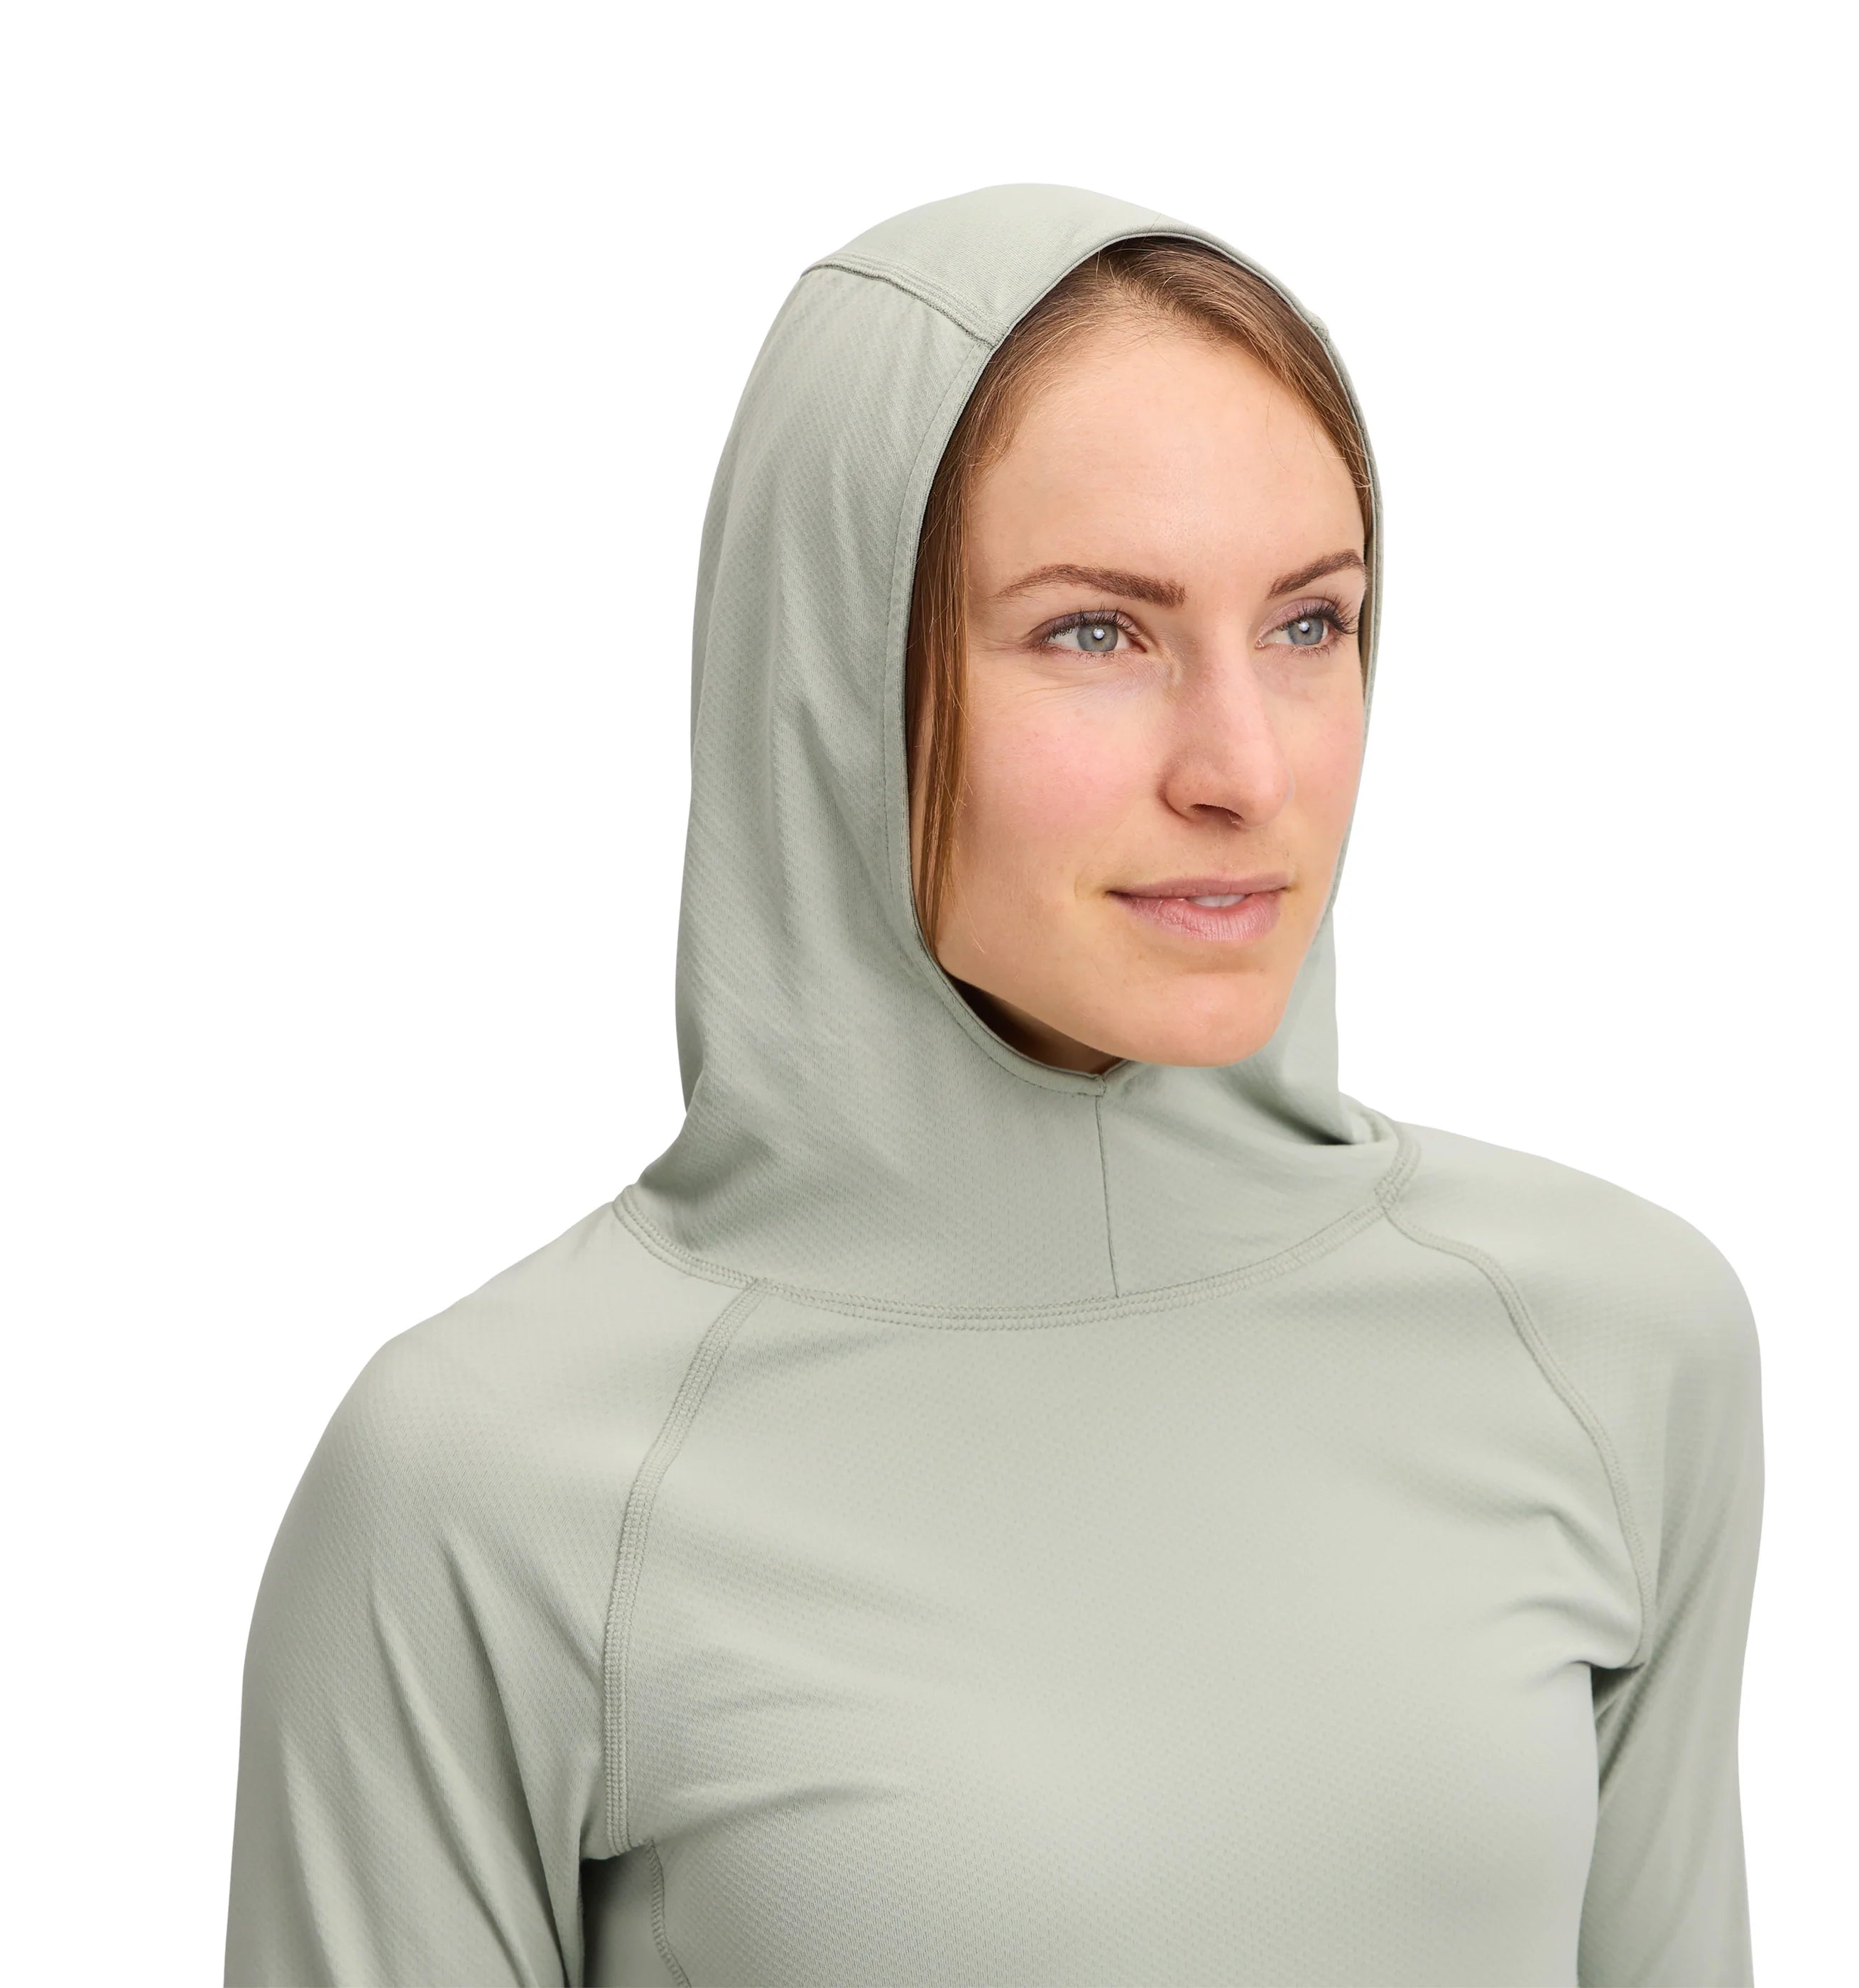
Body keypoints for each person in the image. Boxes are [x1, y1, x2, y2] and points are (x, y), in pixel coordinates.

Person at [224, 184, 1766, 1987]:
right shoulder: (493, 1476)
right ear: (831, 674)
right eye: (1095, 631)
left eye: (1307, 622)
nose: (1241, 768)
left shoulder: (1606, 1341)